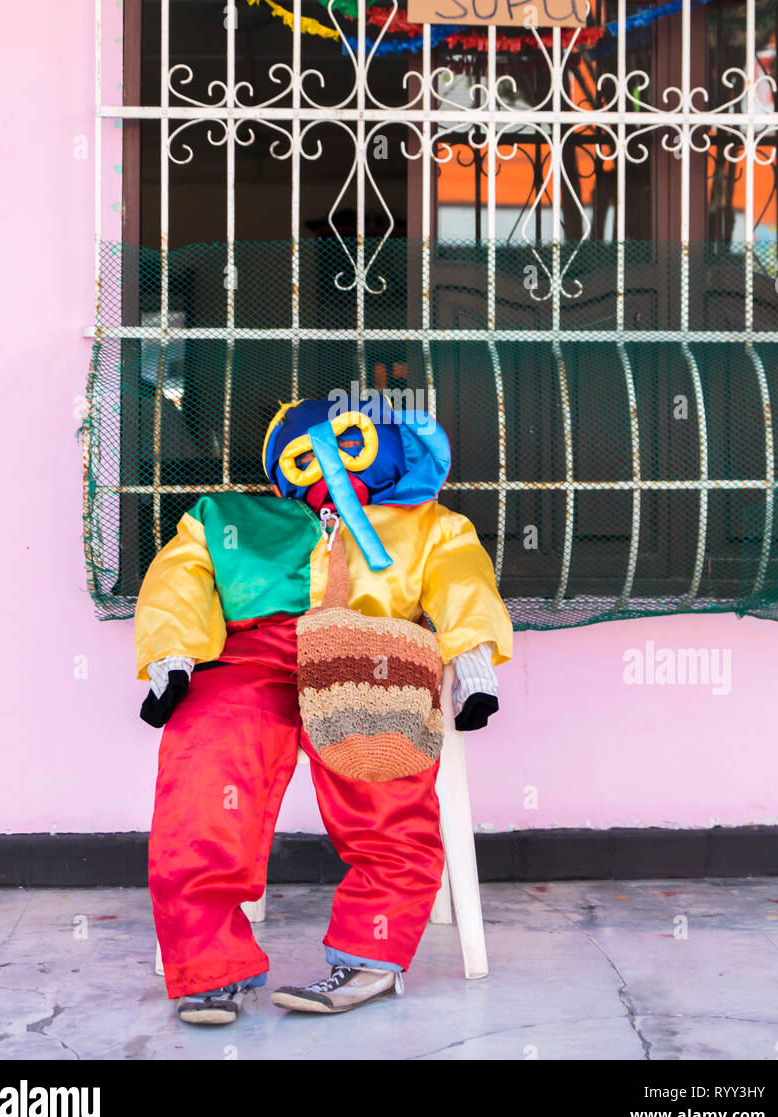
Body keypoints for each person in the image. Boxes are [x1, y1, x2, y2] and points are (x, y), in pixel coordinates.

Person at [134, 392, 512, 1023]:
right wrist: (171, 655)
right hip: (251, 659)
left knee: (383, 780)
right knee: (206, 769)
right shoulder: (227, 517)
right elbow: (181, 573)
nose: (331, 462)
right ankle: (207, 963)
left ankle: (371, 952)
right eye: (308, 454)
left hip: (373, 653)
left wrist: (472, 660)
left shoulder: (429, 525)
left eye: (351, 443)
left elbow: (461, 580)